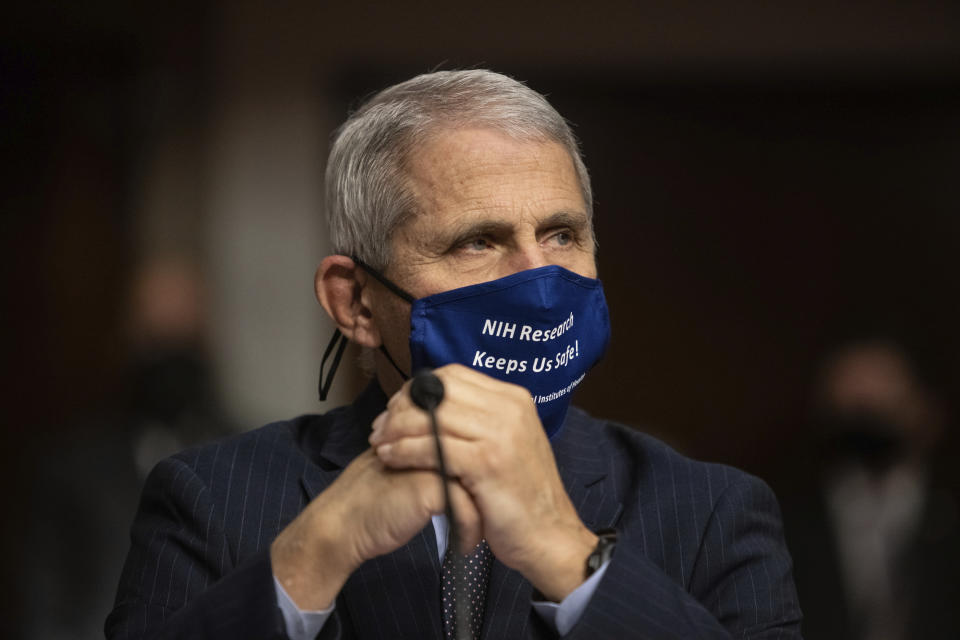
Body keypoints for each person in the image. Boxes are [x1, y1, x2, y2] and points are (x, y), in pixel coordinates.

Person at [107, 69, 802, 639]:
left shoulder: (713, 513)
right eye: (477, 241)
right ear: (355, 303)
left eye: (561, 235)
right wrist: (315, 554)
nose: (538, 282)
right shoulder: (210, 502)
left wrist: (569, 555)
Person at [780, 338, 960, 640]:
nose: (863, 411)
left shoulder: (948, 517)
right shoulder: (786, 523)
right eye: (849, 410)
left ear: (928, 412)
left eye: (880, 406)